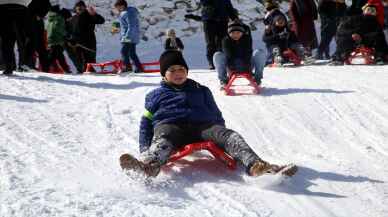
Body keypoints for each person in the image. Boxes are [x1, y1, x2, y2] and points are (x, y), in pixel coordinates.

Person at [119, 50, 297, 178]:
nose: (178, 73)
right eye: (172, 70)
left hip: (202, 127)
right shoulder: (155, 95)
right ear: (163, 75)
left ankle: (256, 165)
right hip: (171, 126)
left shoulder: (201, 89)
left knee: (229, 135)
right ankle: (148, 165)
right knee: (164, 136)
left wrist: (221, 133)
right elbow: (145, 123)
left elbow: (215, 112)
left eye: (181, 69)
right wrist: (144, 148)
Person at [213, 20, 265, 89]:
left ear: (242, 32)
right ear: (229, 33)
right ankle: (223, 80)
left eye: (238, 32)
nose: (235, 35)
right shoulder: (226, 40)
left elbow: (248, 53)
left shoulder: (247, 38)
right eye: (233, 33)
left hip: (247, 65)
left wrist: (247, 68)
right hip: (231, 66)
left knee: (259, 52)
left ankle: (257, 79)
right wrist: (232, 69)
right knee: (217, 55)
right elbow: (229, 55)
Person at [67, 1, 105, 73]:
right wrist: (70, 39)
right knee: (79, 60)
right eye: (78, 7)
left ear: (84, 7)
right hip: (77, 44)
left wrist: (94, 14)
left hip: (89, 43)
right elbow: (69, 31)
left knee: (90, 61)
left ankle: (91, 74)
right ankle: (82, 73)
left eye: (81, 6)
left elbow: (101, 20)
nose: (80, 8)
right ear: (76, 8)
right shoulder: (72, 19)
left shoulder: (89, 16)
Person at [200, 0, 238, 69]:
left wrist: (235, 18)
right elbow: (204, 3)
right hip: (209, 20)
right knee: (210, 42)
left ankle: (221, 62)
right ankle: (211, 63)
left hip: (223, 20)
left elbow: (229, 6)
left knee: (222, 42)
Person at [0, 0, 31, 75]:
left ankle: (9, 67)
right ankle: (24, 64)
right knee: (21, 38)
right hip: (22, 7)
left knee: (6, 39)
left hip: (3, 6)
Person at [114, 0, 143, 73]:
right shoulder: (124, 13)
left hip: (129, 36)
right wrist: (115, 29)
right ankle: (138, 67)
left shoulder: (128, 13)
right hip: (130, 36)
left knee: (123, 52)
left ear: (122, 6)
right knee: (131, 53)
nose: (117, 9)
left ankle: (127, 67)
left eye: (118, 7)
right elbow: (121, 23)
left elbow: (131, 26)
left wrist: (127, 37)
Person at [46, 5, 71, 74]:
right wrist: (66, 34)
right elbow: (58, 28)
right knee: (53, 55)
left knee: (59, 55)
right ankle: (45, 67)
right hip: (57, 39)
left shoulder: (50, 18)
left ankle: (66, 69)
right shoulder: (60, 18)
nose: (67, 20)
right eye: (68, 18)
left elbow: (49, 28)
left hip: (51, 38)